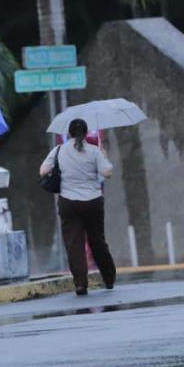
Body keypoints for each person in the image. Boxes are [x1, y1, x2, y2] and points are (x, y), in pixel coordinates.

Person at [40, 119, 116, 296]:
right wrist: (102, 156)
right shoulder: (94, 151)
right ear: (86, 132)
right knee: (98, 241)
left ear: (69, 133)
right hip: (93, 202)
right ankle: (109, 278)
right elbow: (107, 173)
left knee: (74, 244)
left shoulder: (59, 150)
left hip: (68, 202)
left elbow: (43, 171)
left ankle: (81, 284)